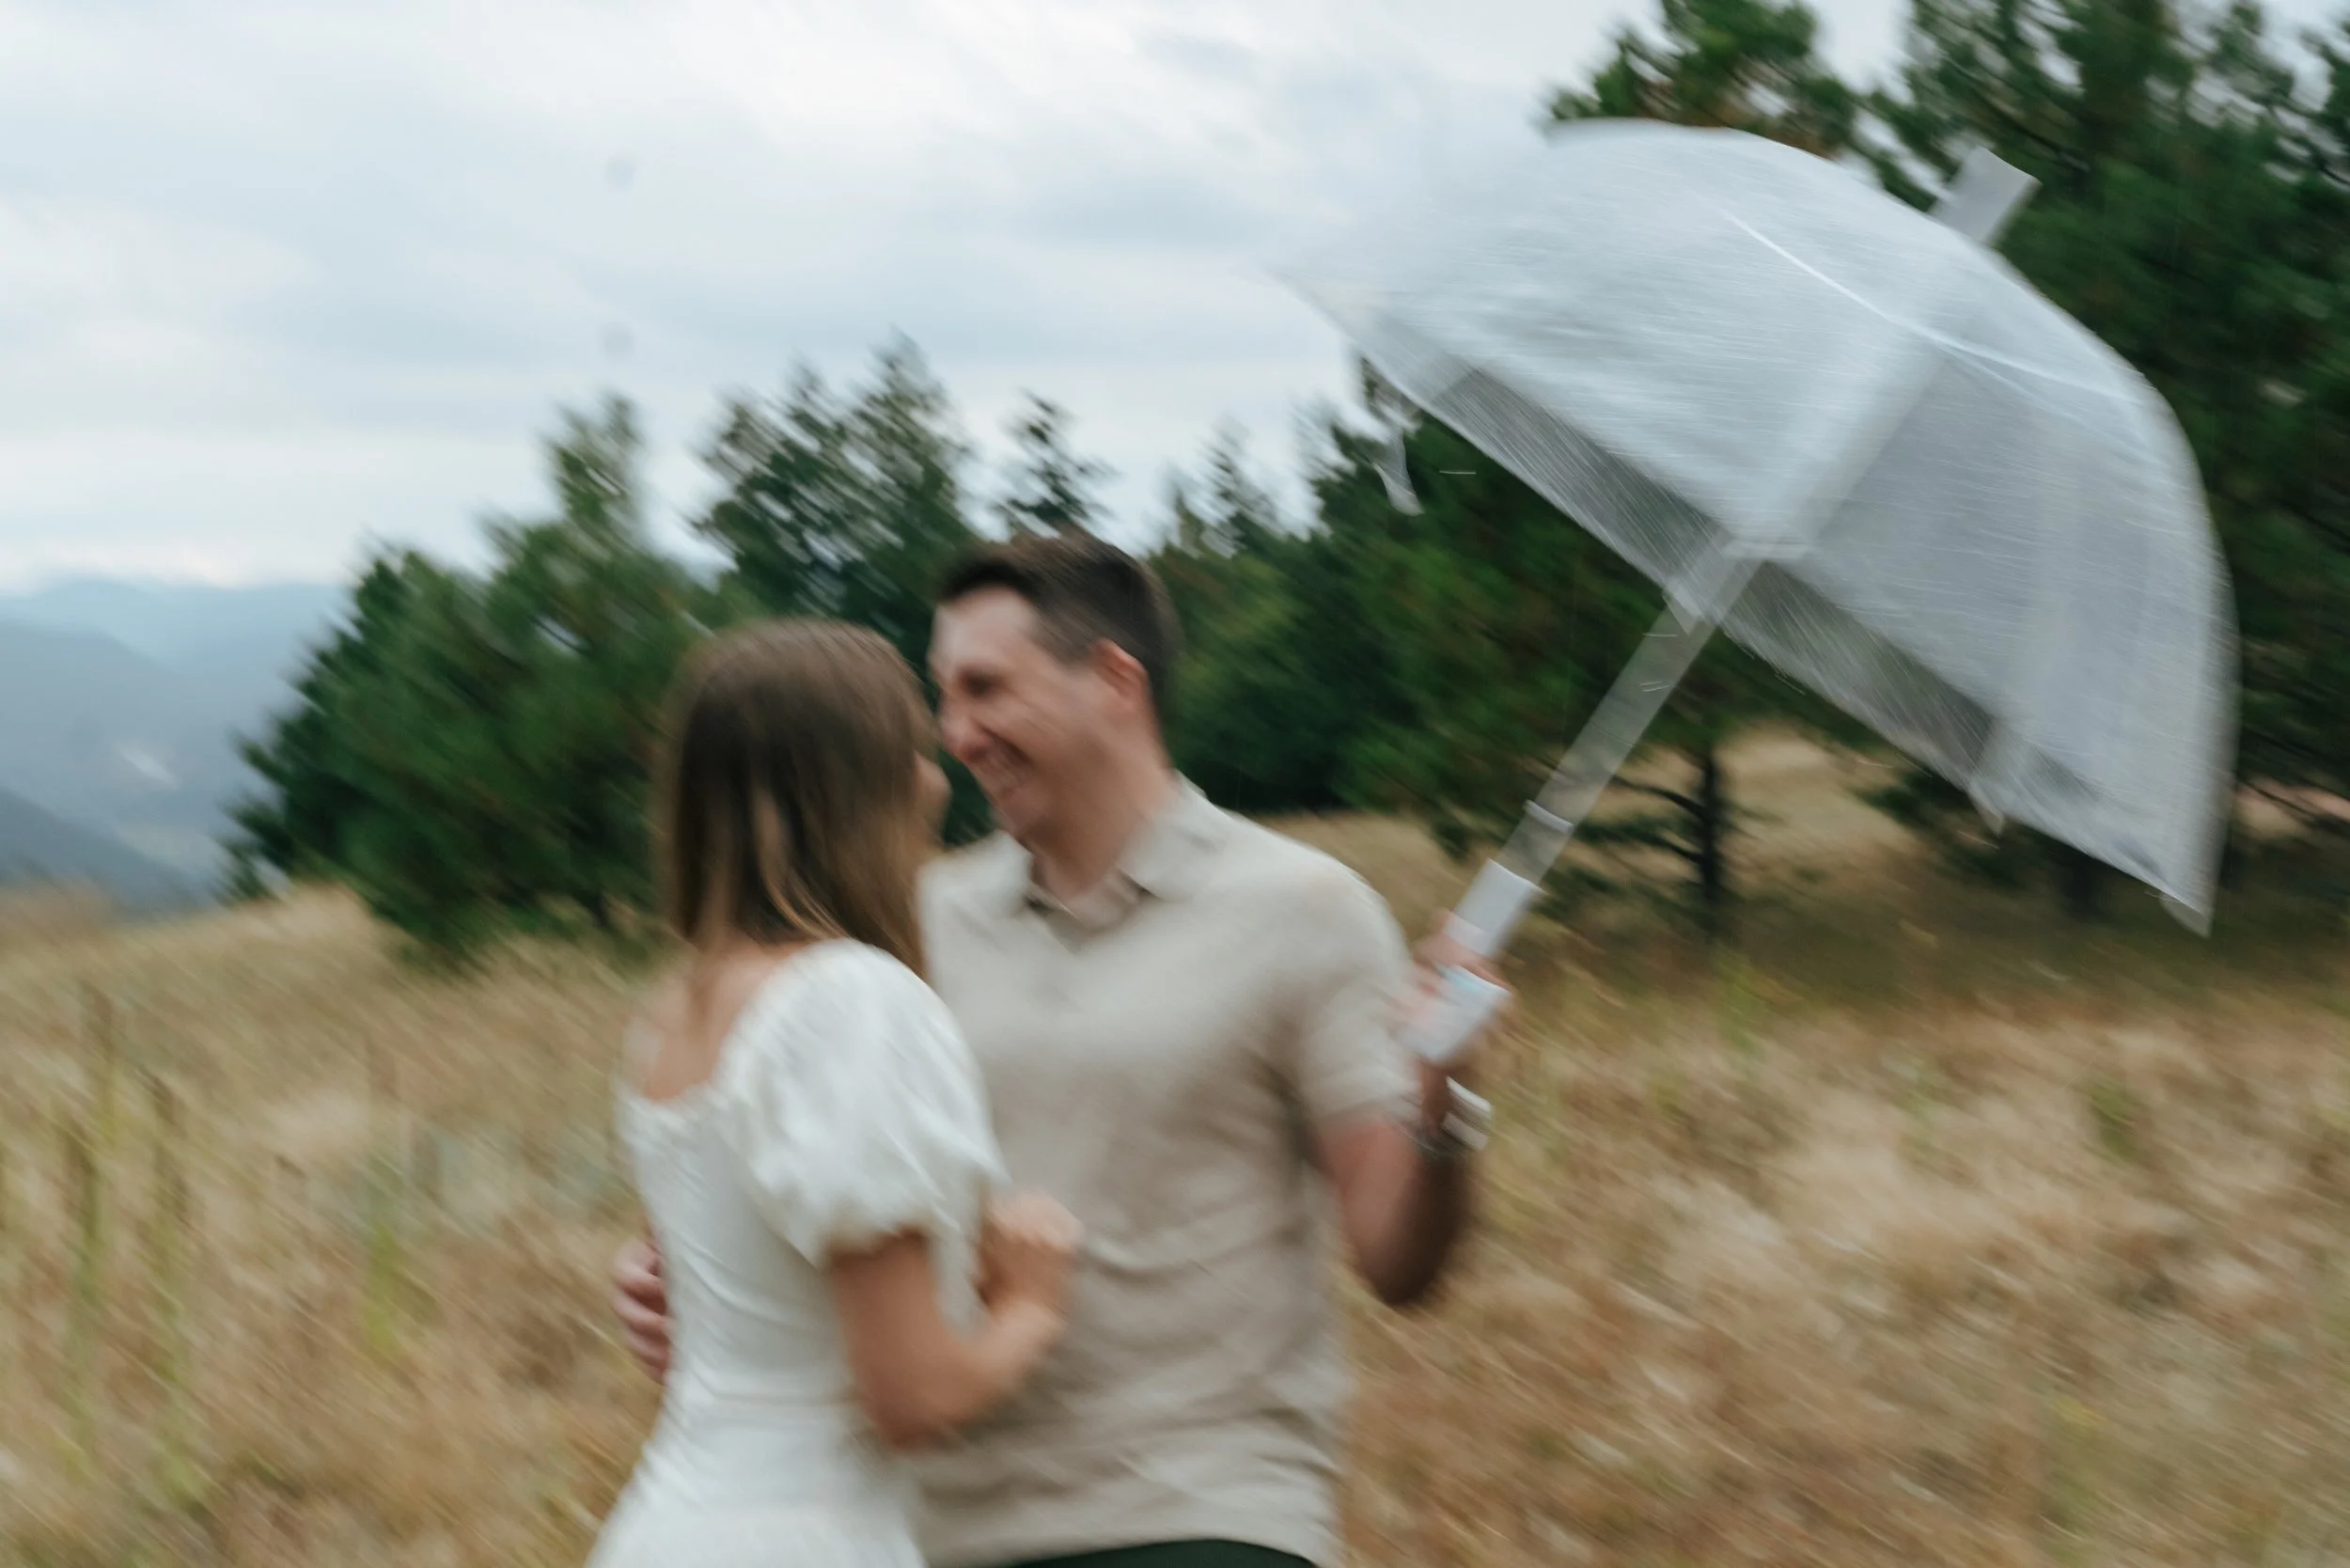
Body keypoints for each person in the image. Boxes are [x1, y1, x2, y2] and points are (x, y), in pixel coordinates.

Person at [613, 535, 1503, 1568]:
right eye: (940, 698)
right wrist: (684, 1274)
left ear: (1113, 681)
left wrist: (1444, 1104)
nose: (956, 735)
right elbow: (793, 1181)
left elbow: (1398, 1263)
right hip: (930, 1526)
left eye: (987, 690)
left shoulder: (1305, 911)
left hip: (1194, 1511)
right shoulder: (901, 930)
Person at [589, 619, 1083, 1568]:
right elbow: (913, 1398)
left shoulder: (674, 1009)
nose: (937, 773)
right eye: (911, 743)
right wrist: (1033, 1304)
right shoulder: (848, 1001)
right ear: (861, 783)